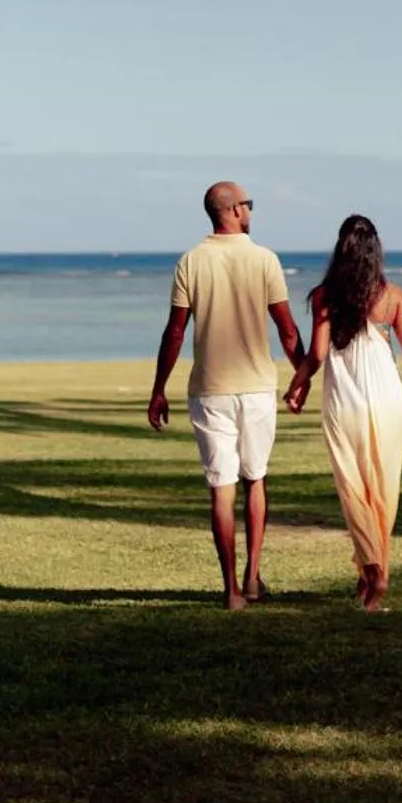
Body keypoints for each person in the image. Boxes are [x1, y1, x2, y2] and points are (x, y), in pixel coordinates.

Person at [285, 214, 402, 610]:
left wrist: (295, 385)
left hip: (344, 401)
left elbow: (315, 355)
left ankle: (374, 573)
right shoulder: (392, 295)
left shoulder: (323, 296)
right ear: (374, 251)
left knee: (353, 487)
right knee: (383, 488)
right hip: (387, 402)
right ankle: (372, 577)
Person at [148, 181, 303, 609]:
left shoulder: (191, 261)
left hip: (209, 390)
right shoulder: (265, 259)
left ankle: (231, 590)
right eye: (248, 204)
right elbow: (286, 328)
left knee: (221, 488)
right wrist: (302, 374)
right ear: (233, 210)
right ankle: (253, 578)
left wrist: (158, 389)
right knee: (255, 480)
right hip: (255, 387)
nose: (251, 209)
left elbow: (175, 331)